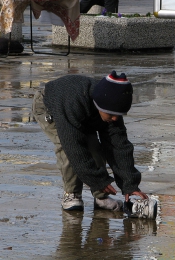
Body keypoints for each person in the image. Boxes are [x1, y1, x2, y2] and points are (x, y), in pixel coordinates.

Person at [32, 71, 149, 213]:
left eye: (119, 115)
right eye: (111, 115)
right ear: (101, 106)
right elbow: (73, 146)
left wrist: (130, 185)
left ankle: (101, 197)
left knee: (95, 148)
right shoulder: (74, 104)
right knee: (67, 148)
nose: (114, 119)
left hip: (83, 110)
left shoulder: (111, 107)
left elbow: (119, 146)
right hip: (52, 108)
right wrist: (97, 180)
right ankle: (72, 194)